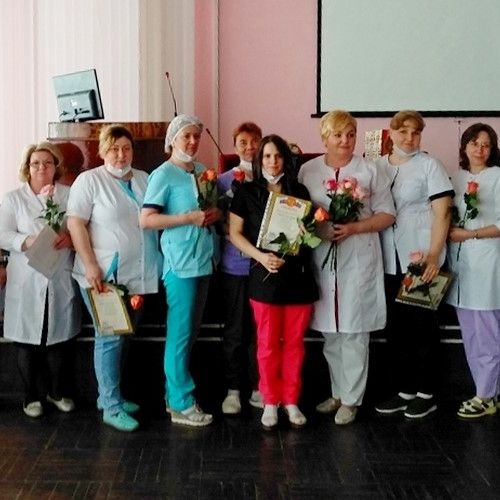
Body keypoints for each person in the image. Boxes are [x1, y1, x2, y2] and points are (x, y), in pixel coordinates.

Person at [298, 110, 395, 425]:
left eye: (351, 135)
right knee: (330, 332)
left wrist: (354, 228)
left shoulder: (370, 170)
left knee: (354, 331)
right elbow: (301, 211)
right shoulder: (308, 171)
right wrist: (318, 228)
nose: (345, 141)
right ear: (324, 138)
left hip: (358, 255)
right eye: (338, 135)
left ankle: (352, 400)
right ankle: (337, 392)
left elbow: (387, 214)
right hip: (323, 257)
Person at [67, 124, 160, 432]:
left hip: (139, 274)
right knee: (109, 338)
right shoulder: (89, 181)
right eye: (114, 149)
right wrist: (91, 265)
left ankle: (110, 394)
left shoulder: (144, 179)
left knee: (125, 336)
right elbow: (76, 224)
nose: (121, 155)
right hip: (104, 276)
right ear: (102, 151)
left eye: (126, 148)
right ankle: (110, 405)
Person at [229, 134, 319, 430]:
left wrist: (307, 233)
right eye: (267, 156)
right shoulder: (246, 192)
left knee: (294, 344)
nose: (273, 161)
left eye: (278, 156)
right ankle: (269, 400)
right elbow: (235, 234)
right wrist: (260, 256)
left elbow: (308, 231)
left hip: (298, 278)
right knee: (267, 343)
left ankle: (291, 400)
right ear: (259, 160)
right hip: (264, 277)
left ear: (286, 160)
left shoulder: (299, 191)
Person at [140, 114, 219, 427]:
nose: (192, 141)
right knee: (180, 333)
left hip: (203, 260)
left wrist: (213, 214)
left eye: (196, 136)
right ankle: (181, 403)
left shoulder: (201, 171)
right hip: (180, 263)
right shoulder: (163, 175)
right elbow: (147, 220)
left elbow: (209, 208)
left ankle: (174, 394)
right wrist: (187, 218)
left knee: (191, 332)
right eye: (186, 136)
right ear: (172, 140)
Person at [375, 110, 454, 419]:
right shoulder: (379, 166)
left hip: (421, 257)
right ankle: (404, 389)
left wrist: (433, 254)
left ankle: (426, 392)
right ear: (391, 133)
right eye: (403, 132)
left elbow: (442, 212)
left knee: (423, 327)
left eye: (416, 132)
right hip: (388, 258)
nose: (409, 138)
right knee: (397, 328)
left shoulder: (430, 165)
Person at [0, 142, 81, 418]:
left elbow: (82, 225)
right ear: (27, 167)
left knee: (58, 338)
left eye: (47, 162)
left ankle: (56, 392)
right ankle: (30, 396)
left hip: (59, 275)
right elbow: (2, 234)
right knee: (26, 340)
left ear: (56, 166)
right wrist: (27, 240)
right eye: (35, 163)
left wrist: (70, 238)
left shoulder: (69, 194)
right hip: (27, 276)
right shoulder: (14, 198)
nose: (41, 168)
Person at [446, 123, 500, 418]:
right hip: (461, 265)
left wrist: (471, 234)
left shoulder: (497, 177)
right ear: (464, 146)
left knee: (487, 333)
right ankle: (483, 390)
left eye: (486, 144)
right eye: (474, 143)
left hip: (487, 262)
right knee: (470, 334)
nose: (480, 149)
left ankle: (487, 395)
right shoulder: (455, 178)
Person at [217, 121, 263, 414]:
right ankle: (233, 389)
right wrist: (235, 234)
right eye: (243, 142)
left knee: (261, 332)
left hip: (263, 267)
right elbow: (217, 221)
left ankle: (259, 386)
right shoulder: (222, 181)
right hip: (234, 266)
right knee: (235, 330)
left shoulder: (269, 178)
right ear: (234, 146)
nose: (249, 147)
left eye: (254, 141)